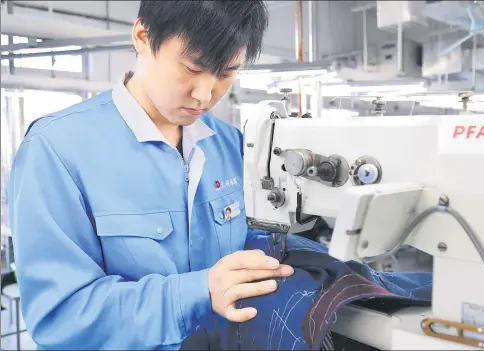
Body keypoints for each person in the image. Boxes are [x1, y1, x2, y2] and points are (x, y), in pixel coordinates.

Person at [7, 1, 294, 350]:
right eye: (192, 67)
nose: (205, 95)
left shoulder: (228, 144)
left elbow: (251, 241)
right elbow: (60, 316)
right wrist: (198, 292)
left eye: (225, 73)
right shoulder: (56, 150)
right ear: (143, 36)